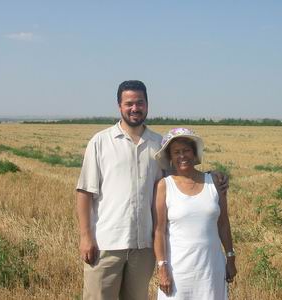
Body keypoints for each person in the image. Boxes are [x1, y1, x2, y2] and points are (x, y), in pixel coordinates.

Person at [76, 81, 229, 300]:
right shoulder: (100, 142)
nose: (135, 108)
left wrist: (212, 176)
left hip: (144, 248)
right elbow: (84, 192)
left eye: (140, 102)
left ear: (147, 104)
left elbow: (181, 175)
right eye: (129, 103)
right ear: (119, 106)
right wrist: (86, 237)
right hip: (106, 245)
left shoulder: (159, 144)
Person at [153, 128, 237, 299]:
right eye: (176, 152)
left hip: (211, 269)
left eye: (186, 150)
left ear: (194, 153)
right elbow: (159, 231)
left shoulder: (214, 182)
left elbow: (223, 224)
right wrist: (162, 268)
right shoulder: (164, 186)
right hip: (178, 272)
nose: (182, 156)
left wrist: (230, 257)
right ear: (170, 158)